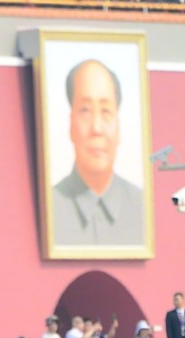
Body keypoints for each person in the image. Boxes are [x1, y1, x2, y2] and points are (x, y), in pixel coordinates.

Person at [50, 59, 144, 248]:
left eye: (106, 111)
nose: (96, 128)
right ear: (70, 124)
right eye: (85, 111)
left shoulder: (143, 207)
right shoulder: (50, 207)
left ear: (119, 125)